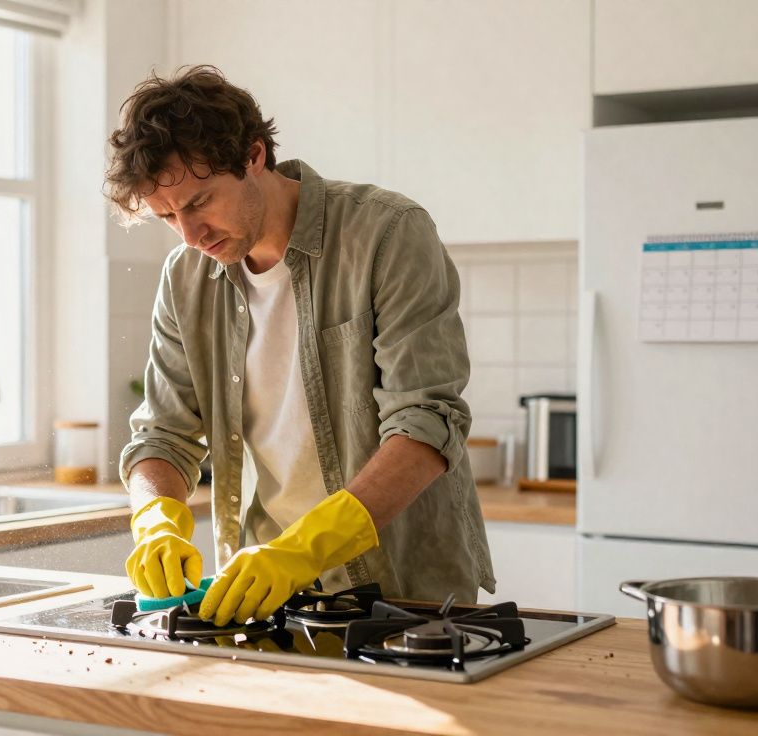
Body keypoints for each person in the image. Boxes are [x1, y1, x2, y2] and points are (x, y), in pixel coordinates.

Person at [108, 66, 494, 627]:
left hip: (404, 589)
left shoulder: (386, 234)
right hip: (264, 594)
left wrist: (303, 548)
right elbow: (163, 435)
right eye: (168, 218)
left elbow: (426, 423)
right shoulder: (185, 276)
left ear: (254, 155)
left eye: (199, 202)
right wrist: (155, 519)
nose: (190, 235)